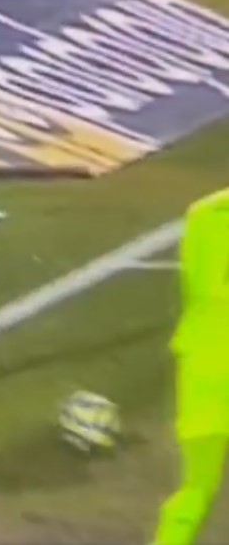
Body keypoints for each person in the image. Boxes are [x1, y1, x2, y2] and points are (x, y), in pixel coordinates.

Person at [154, 188, 229, 545]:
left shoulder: (207, 213)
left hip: (205, 362)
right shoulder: (210, 215)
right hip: (210, 366)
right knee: (197, 486)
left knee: (196, 489)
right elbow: (211, 290)